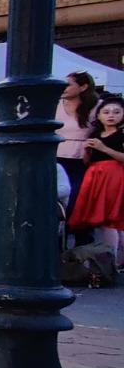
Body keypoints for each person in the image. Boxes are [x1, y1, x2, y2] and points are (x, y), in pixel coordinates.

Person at [69, 97, 124, 259]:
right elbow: (88, 161)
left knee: (112, 219)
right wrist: (87, 151)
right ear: (98, 115)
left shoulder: (121, 135)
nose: (111, 116)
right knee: (101, 220)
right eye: (106, 112)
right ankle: (112, 258)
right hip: (94, 174)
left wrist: (103, 148)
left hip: (114, 175)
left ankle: (113, 259)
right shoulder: (95, 133)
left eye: (116, 112)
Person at [57, 72, 100, 197]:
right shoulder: (55, 104)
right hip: (56, 156)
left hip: (83, 158)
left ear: (83, 87)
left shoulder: (97, 106)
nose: (63, 88)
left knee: (77, 194)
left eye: (68, 85)